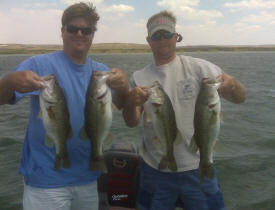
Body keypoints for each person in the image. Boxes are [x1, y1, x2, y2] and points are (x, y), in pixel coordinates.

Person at [0, 2, 129, 210]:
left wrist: (124, 87)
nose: (79, 33)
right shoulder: (39, 64)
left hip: (87, 179)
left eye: (86, 30)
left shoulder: (102, 73)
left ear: (92, 34)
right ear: (62, 31)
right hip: (46, 182)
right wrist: (8, 81)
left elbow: (120, 105)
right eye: (72, 28)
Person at [123, 10, 246, 210]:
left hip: (197, 168)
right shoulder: (138, 77)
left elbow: (240, 98)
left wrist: (231, 84)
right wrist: (130, 102)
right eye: (156, 35)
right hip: (154, 169)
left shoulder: (201, 69)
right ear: (149, 40)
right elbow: (131, 121)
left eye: (167, 33)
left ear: (176, 36)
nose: (162, 39)